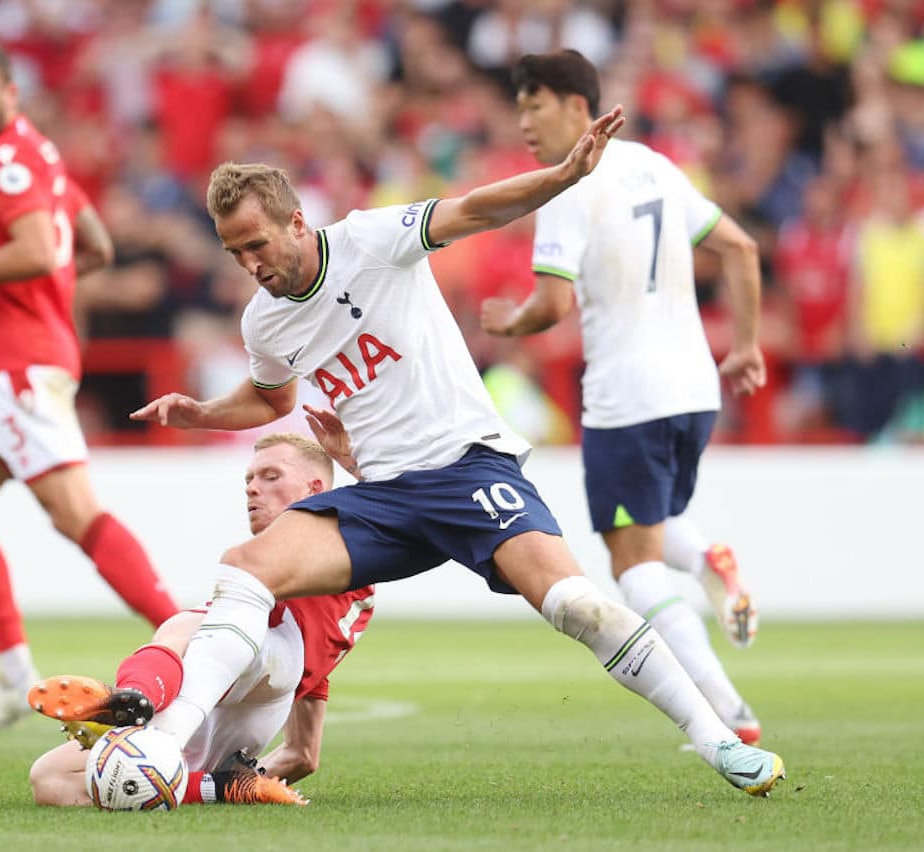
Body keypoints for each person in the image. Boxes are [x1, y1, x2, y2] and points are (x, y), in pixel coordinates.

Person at [127, 109, 788, 797]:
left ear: (297, 222)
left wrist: (560, 177)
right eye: (235, 253)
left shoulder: (371, 240)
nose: (251, 264)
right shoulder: (263, 320)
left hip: (470, 469)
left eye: (257, 244)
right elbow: (269, 400)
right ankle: (162, 750)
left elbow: (473, 208)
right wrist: (202, 413)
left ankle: (718, 742)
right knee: (245, 568)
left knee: (576, 606)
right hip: (383, 497)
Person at [479, 50, 765, 744]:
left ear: (579, 107)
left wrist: (508, 322)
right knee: (655, 525)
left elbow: (550, 304)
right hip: (695, 389)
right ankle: (705, 560)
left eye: (535, 104)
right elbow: (742, 248)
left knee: (630, 564)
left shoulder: (567, 185)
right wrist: (748, 345)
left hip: (627, 395)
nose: (524, 121)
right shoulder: (657, 166)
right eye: (520, 106)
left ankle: (730, 714)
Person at [0, 39, 179, 733]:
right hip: (5, 366)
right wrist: (48, 291)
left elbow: (39, 250)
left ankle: (187, 637)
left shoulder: (4, 163)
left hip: (18, 367)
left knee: (77, 517)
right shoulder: (43, 155)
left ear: (12, 94)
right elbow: (92, 246)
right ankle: (13, 675)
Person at [26, 432, 374, 806]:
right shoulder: (343, 578)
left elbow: (381, 505)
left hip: (259, 661)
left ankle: (137, 697)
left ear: (316, 488)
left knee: (187, 625)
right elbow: (304, 754)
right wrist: (251, 780)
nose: (253, 489)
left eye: (270, 477)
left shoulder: (323, 541)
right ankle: (213, 785)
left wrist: (357, 466)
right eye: (249, 480)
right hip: (248, 707)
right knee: (49, 779)